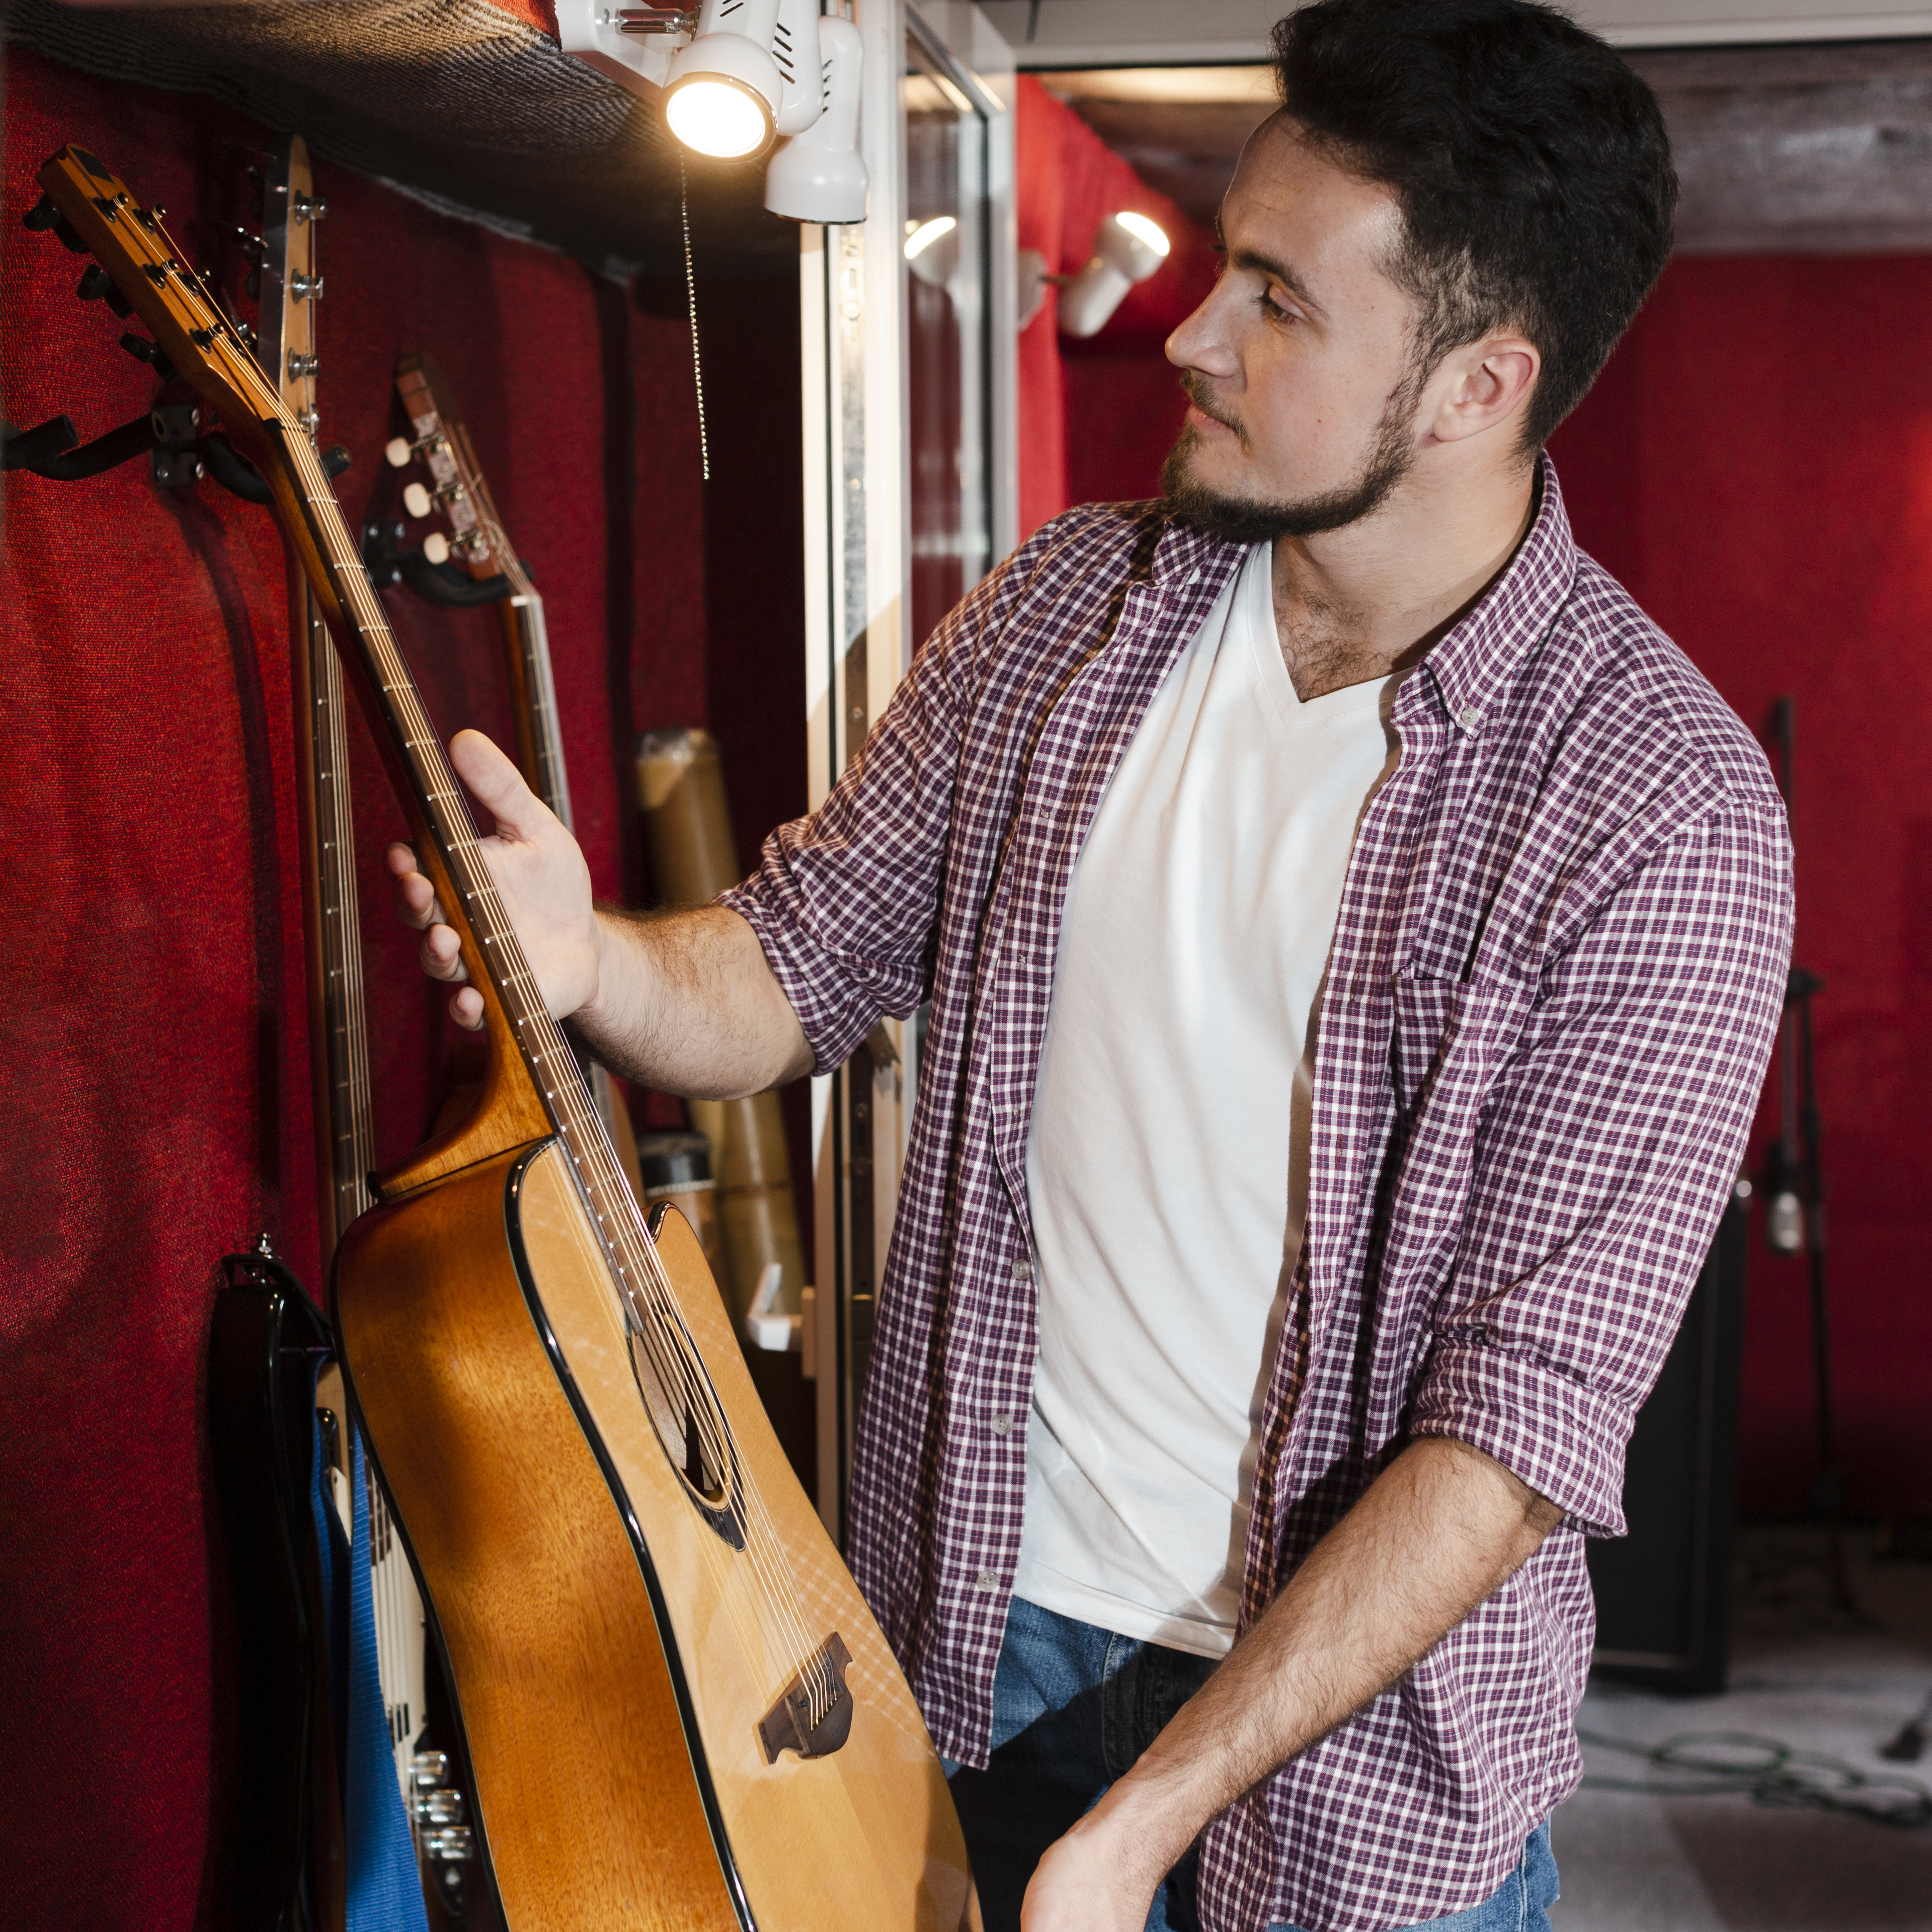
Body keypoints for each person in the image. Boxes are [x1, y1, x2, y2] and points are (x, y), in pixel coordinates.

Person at [389, 3, 1792, 1927]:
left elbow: (1518, 1432)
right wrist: (593, 965)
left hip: (1350, 1759)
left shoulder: (1660, 809)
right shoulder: (1071, 606)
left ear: (1476, 387)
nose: (1197, 339)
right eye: (1228, 269)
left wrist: (1147, 1818)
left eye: (1280, 303)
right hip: (972, 1637)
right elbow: (794, 966)